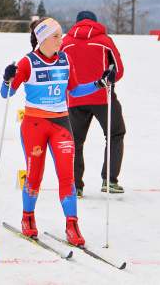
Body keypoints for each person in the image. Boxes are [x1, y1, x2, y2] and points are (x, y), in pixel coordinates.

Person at [1, 17, 111, 246]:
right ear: (42, 39)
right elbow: (6, 93)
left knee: (67, 176)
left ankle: (72, 224)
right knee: (34, 176)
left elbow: (75, 90)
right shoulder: (27, 63)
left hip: (61, 123)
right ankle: (27, 217)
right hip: (34, 125)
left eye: (60, 35)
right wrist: (6, 78)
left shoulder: (65, 59)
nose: (61, 40)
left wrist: (100, 83)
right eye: (56, 36)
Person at [61, 11, 125, 197]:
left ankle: (76, 186)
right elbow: (118, 71)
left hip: (74, 98)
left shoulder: (65, 42)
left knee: (75, 142)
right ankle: (110, 180)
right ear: (95, 23)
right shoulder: (105, 40)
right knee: (115, 134)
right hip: (102, 97)